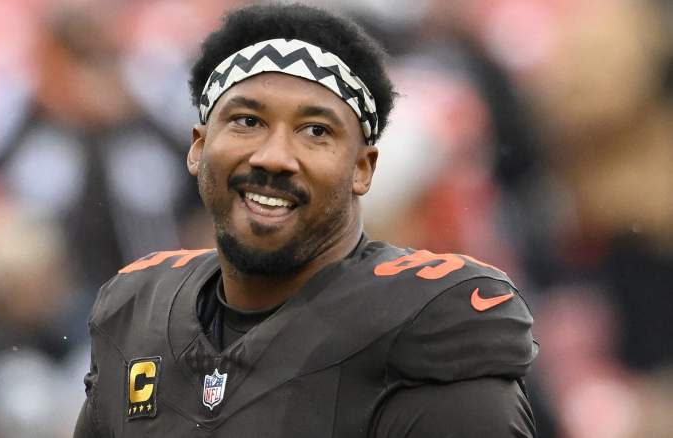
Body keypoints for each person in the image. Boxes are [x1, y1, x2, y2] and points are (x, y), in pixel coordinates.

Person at [73, 3, 537, 437]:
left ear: (362, 168)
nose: (274, 158)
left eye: (315, 131)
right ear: (198, 147)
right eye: (247, 121)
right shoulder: (135, 313)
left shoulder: (425, 331)